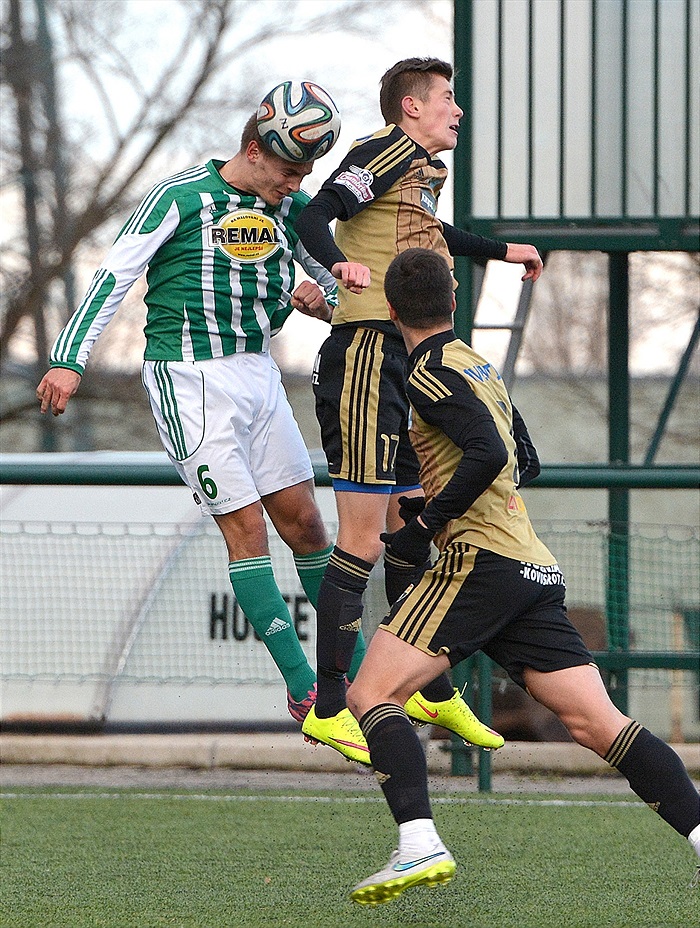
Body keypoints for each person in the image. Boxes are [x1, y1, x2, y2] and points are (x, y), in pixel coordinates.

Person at [342, 247, 700, 906]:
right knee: (599, 724)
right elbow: (521, 460)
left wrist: (426, 525)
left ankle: (419, 842)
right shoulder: (479, 364)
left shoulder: (426, 373)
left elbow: (488, 452)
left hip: (480, 564)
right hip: (530, 566)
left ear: (391, 311)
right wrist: (448, 500)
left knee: (370, 694)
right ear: (454, 302)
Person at [36, 108, 368, 739]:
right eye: (289, 169)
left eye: (305, 173)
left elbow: (339, 289)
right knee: (248, 531)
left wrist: (323, 301)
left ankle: (357, 678)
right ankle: (306, 690)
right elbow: (114, 274)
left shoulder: (291, 211)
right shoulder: (179, 196)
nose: (296, 183)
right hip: (188, 378)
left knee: (307, 525)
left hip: (259, 374)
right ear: (254, 149)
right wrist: (68, 358)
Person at [295, 57, 542, 758]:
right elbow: (315, 214)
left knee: (410, 525)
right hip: (366, 355)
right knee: (362, 538)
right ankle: (329, 705)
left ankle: (429, 691)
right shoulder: (384, 150)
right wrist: (336, 265)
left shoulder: (422, 171)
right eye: (447, 98)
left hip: (401, 357)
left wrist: (503, 250)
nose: (457, 110)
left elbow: (435, 235)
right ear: (411, 107)